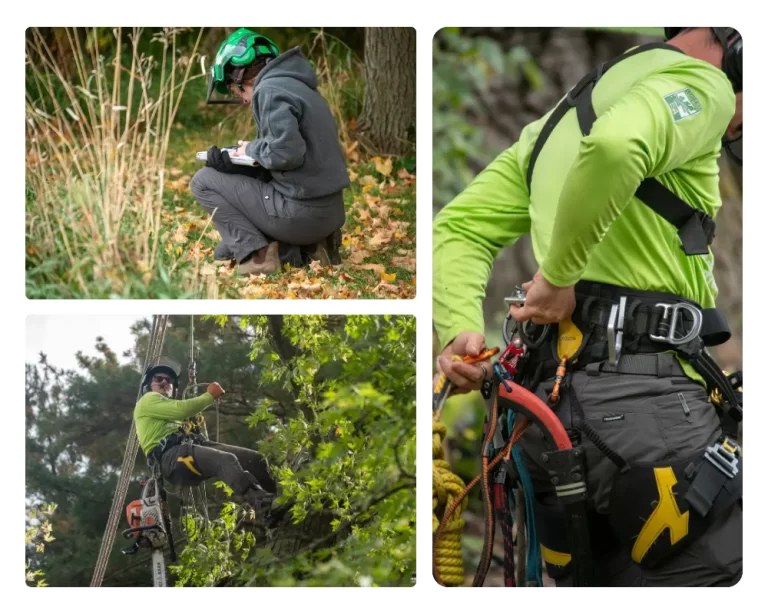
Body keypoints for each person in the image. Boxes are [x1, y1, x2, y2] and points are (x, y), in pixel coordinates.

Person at [431, 26, 743, 587]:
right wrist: (559, 275)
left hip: (545, 414)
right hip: (644, 409)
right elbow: (619, 146)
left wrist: (460, 332)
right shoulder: (706, 84)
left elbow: (457, 227)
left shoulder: (553, 125)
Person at [189, 28, 349, 275]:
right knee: (225, 250)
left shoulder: (269, 91)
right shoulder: (299, 86)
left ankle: (261, 258)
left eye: (236, 91)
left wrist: (250, 149)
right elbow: (295, 155)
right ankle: (311, 247)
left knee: (202, 181)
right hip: (330, 213)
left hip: (303, 214)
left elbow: (287, 152)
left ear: (241, 76)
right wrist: (239, 161)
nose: (242, 100)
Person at [133, 357, 277, 519]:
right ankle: (261, 503)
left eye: (169, 380)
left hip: (188, 449)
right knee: (225, 460)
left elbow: (184, 418)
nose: (164, 382)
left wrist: (193, 428)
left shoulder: (168, 413)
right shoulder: (147, 400)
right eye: (158, 379)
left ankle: (275, 503)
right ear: (148, 385)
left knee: (255, 459)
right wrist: (209, 396)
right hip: (171, 458)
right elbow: (181, 409)